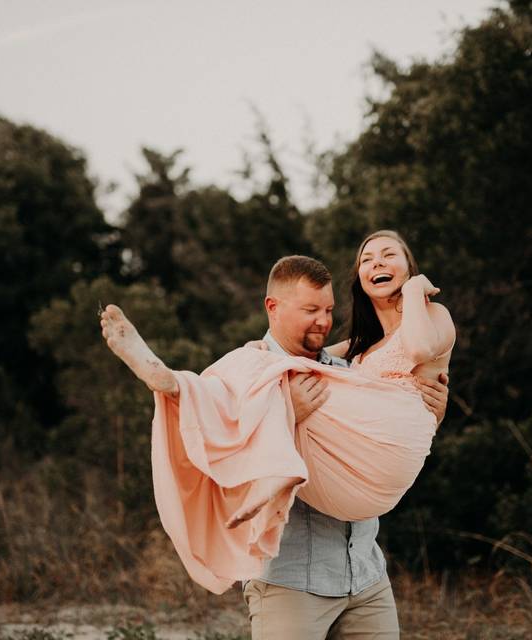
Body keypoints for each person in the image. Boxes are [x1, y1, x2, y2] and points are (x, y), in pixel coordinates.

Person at [100, 233, 453, 627]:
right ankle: (173, 383)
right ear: (273, 307)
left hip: (365, 575)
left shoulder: (345, 373)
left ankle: (226, 418)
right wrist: (286, 413)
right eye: (310, 310)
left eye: (328, 309)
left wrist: (432, 414)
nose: (323, 320)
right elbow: (222, 424)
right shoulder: (253, 371)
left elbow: (384, 423)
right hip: (292, 583)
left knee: (261, 382)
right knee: (237, 385)